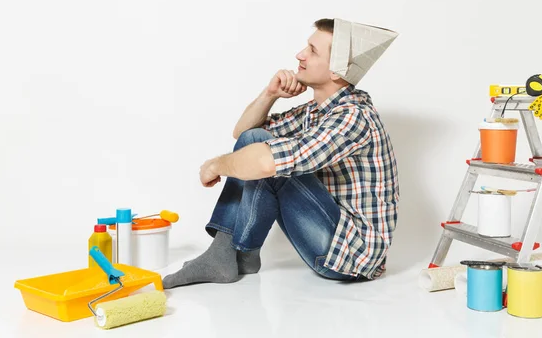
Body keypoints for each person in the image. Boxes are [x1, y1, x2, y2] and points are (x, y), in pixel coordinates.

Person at [163, 18, 400, 288]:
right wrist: (270, 93)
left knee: (266, 156)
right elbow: (243, 133)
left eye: (312, 50)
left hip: (349, 258)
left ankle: (224, 255)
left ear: (336, 71)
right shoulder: (316, 111)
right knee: (256, 143)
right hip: (330, 241)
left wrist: (216, 165)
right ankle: (239, 255)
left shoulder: (353, 117)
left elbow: (264, 160)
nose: (300, 55)